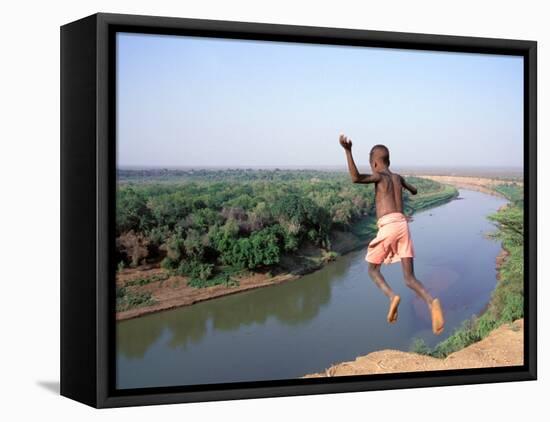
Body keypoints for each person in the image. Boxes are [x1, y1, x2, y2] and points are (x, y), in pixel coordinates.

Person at [339, 134, 445, 335]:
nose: (372, 168)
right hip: (403, 225)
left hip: (388, 226)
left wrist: (348, 151)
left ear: (376, 163)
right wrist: (408, 188)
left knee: (372, 270)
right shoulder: (398, 178)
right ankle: (432, 303)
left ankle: (391, 297)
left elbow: (355, 178)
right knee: (409, 278)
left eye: (372, 165)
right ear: (389, 161)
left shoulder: (379, 176)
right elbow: (413, 191)